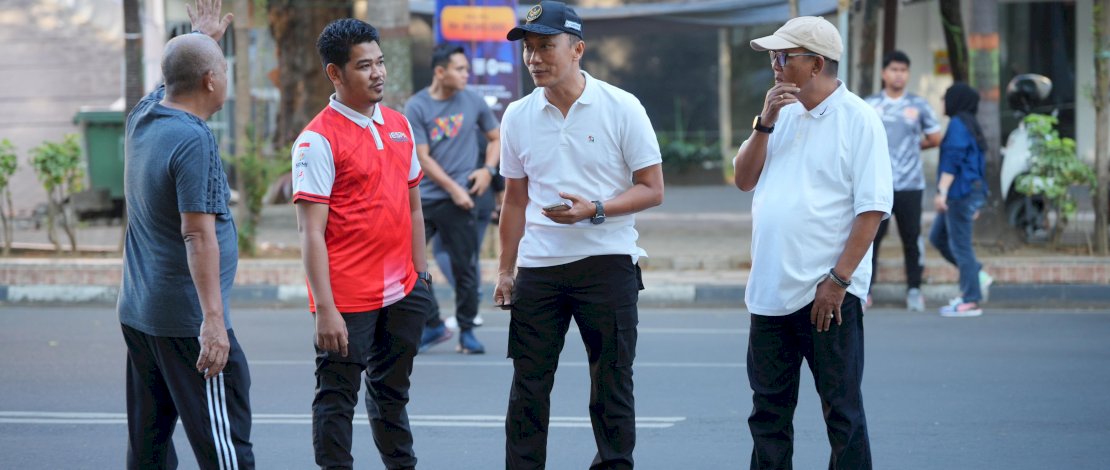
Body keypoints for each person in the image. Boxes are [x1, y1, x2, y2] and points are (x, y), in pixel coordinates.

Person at [495, 2, 665, 468]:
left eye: (546, 46)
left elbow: (653, 189)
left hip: (607, 263)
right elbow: (514, 199)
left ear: (578, 50)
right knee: (528, 387)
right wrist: (506, 270)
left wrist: (597, 211)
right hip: (539, 269)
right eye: (528, 49)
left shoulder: (621, 106)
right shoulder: (517, 115)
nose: (535, 59)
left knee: (611, 385)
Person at [736, 16, 892, 469]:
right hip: (768, 294)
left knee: (841, 415)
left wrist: (839, 280)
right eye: (772, 57)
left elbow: (872, 210)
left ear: (816, 64)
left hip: (828, 296)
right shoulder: (775, 114)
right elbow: (744, 180)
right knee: (768, 415)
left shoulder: (859, 119)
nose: (775, 66)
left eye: (783, 57)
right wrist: (764, 124)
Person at [291, 18, 434, 469]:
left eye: (380, 63)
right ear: (335, 73)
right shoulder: (316, 140)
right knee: (337, 399)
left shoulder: (399, 125)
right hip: (348, 300)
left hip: (404, 291)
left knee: (392, 393)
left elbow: (413, 207)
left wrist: (422, 276)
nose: (378, 74)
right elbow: (310, 231)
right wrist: (325, 308)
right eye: (364, 66)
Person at [117, 0, 255, 468]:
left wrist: (201, 41)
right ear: (212, 81)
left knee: (150, 447)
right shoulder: (194, 139)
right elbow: (198, 236)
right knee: (225, 448)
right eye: (220, 69)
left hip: (140, 313)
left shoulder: (144, 114)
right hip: (185, 323)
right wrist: (213, 322)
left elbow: (176, 78)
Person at [404, 44, 501, 354]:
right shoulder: (417, 106)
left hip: (462, 202)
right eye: (459, 69)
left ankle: (468, 332)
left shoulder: (473, 101)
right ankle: (432, 324)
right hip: (426, 200)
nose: (465, 75)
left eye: (466, 69)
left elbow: (496, 137)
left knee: (466, 268)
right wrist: (454, 189)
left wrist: (487, 170)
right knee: (406, 261)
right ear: (440, 72)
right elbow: (423, 158)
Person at [864, 50, 942, 311]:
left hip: (910, 185)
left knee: (912, 238)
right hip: (877, 184)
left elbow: (934, 137)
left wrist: (910, 148)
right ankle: (865, 291)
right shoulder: (870, 105)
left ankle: (914, 290)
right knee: (869, 238)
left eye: (904, 70)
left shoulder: (918, 105)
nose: (899, 74)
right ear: (884, 73)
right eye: (894, 69)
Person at [929, 82, 989, 318]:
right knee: (938, 237)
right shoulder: (970, 124)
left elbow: (953, 159)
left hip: (959, 193)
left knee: (961, 246)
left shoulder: (957, 125)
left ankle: (971, 299)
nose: (943, 102)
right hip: (968, 192)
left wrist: (941, 191)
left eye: (945, 97)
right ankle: (975, 274)